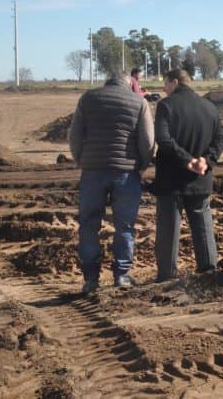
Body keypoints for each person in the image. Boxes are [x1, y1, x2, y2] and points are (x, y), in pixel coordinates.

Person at [68, 71, 154, 294]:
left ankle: (91, 279)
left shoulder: (88, 98)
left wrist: (81, 160)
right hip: (126, 172)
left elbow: (75, 135)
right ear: (129, 83)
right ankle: (122, 276)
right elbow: (147, 140)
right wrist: (142, 164)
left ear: (107, 83)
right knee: (124, 227)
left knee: (88, 225)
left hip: (92, 172)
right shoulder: (139, 102)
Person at [153, 69, 223, 281]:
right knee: (203, 224)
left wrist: (188, 160)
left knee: (169, 228)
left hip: (171, 179)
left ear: (175, 82)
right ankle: (209, 271)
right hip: (200, 177)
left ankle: (167, 275)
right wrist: (206, 160)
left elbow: (163, 139)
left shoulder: (166, 106)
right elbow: (220, 139)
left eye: (165, 83)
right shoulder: (209, 107)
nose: (164, 88)